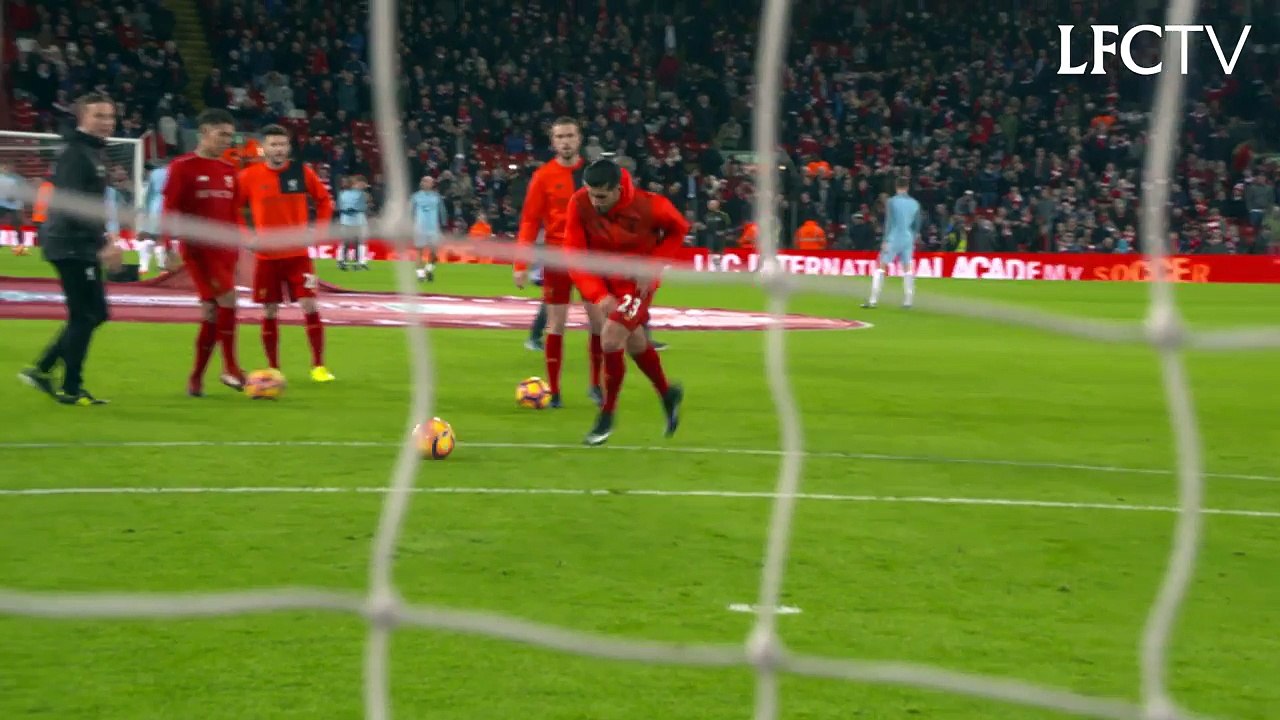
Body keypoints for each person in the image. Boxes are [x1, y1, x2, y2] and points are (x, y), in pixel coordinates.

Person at [564, 159, 688, 446]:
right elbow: (573, 254)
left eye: (601, 196)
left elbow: (679, 229)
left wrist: (653, 265)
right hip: (604, 280)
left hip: (636, 283)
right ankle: (667, 393)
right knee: (635, 342)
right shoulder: (579, 203)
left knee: (610, 338)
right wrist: (599, 294)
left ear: (617, 189)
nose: (595, 202)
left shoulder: (651, 205)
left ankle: (607, 415)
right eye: (591, 194)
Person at [18, 92, 123, 405]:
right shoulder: (76, 153)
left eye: (110, 116)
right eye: (99, 116)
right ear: (81, 118)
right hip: (71, 244)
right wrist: (103, 242)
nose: (106, 122)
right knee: (85, 315)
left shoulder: (90, 151)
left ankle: (43, 368)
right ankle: (70, 387)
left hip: (77, 242)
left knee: (94, 313)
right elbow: (74, 206)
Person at [513, 116, 604, 408]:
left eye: (570, 136)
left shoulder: (594, 173)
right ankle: (554, 391)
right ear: (553, 142)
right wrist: (520, 264)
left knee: (598, 322)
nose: (565, 141)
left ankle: (596, 385)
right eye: (560, 137)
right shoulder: (543, 176)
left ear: (579, 139)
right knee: (556, 324)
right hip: (556, 257)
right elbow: (530, 221)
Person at [237, 124, 336, 382]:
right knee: (269, 311)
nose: (279, 149)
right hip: (266, 257)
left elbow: (324, 201)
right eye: (273, 144)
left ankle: (318, 366)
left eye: (282, 144)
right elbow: (233, 208)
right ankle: (273, 368)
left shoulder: (300, 172)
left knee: (310, 305)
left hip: (298, 256)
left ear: (288, 147)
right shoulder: (249, 176)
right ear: (263, 148)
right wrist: (247, 237)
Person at [163, 108, 247, 396]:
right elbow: (169, 210)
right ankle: (231, 367)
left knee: (212, 312)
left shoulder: (230, 170)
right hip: (199, 249)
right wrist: (168, 246)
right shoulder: (182, 167)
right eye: (221, 134)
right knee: (228, 300)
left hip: (226, 250)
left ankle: (196, 378)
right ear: (204, 132)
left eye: (230, 135)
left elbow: (234, 212)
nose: (227, 140)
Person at [864, 176, 921, 309]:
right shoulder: (915, 203)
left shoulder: (892, 201)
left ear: (896, 187)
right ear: (907, 187)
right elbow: (917, 224)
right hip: (908, 238)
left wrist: (885, 240)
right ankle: (908, 301)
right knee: (907, 268)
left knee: (881, 266)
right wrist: (913, 238)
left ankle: (873, 300)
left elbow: (889, 222)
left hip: (894, 237)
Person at [409, 175, 446, 281]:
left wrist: (443, 224)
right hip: (419, 228)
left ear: (432, 184)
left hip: (433, 228)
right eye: (424, 181)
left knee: (434, 252)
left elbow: (442, 211)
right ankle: (420, 275)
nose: (426, 183)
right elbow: (411, 212)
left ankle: (428, 269)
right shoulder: (415, 197)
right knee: (419, 251)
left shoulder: (437, 197)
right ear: (421, 183)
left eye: (429, 181)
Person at [137, 161, 170, 275]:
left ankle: (143, 267)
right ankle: (161, 267)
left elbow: (147, 198)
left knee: (148, 238)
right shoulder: (170, 172)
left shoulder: (154, 176)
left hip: (153, 210)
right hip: (165, 210)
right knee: (159, 239)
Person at [336, 176, 370, 270]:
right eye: (359, 184)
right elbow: (339, 206)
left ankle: (360, 262)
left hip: (358, 221)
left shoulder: (362, 194)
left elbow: (364, 206)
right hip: (347, 221)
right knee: (346, 242)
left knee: (359, 241)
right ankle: (342, 260)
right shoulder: (344, 194)